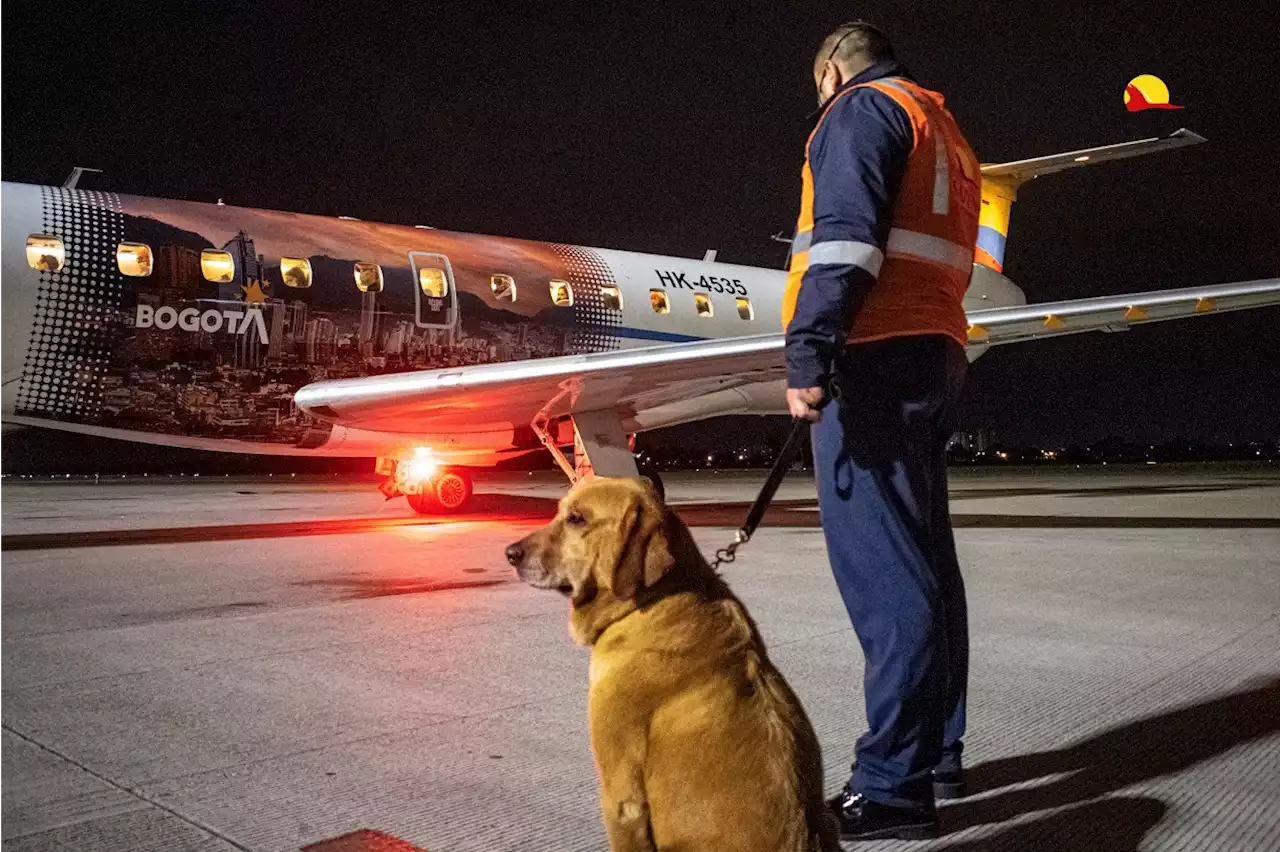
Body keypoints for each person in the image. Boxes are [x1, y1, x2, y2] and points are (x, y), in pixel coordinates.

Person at [781, 21, 981, 842]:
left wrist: (809, 352)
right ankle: (936, 752)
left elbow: (845, 243)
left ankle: (893, 786)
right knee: (928, 561)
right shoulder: (945, 127)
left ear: (831, 69)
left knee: (886, 574)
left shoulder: (860, 112)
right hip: (936, 350)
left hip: (873, 353)